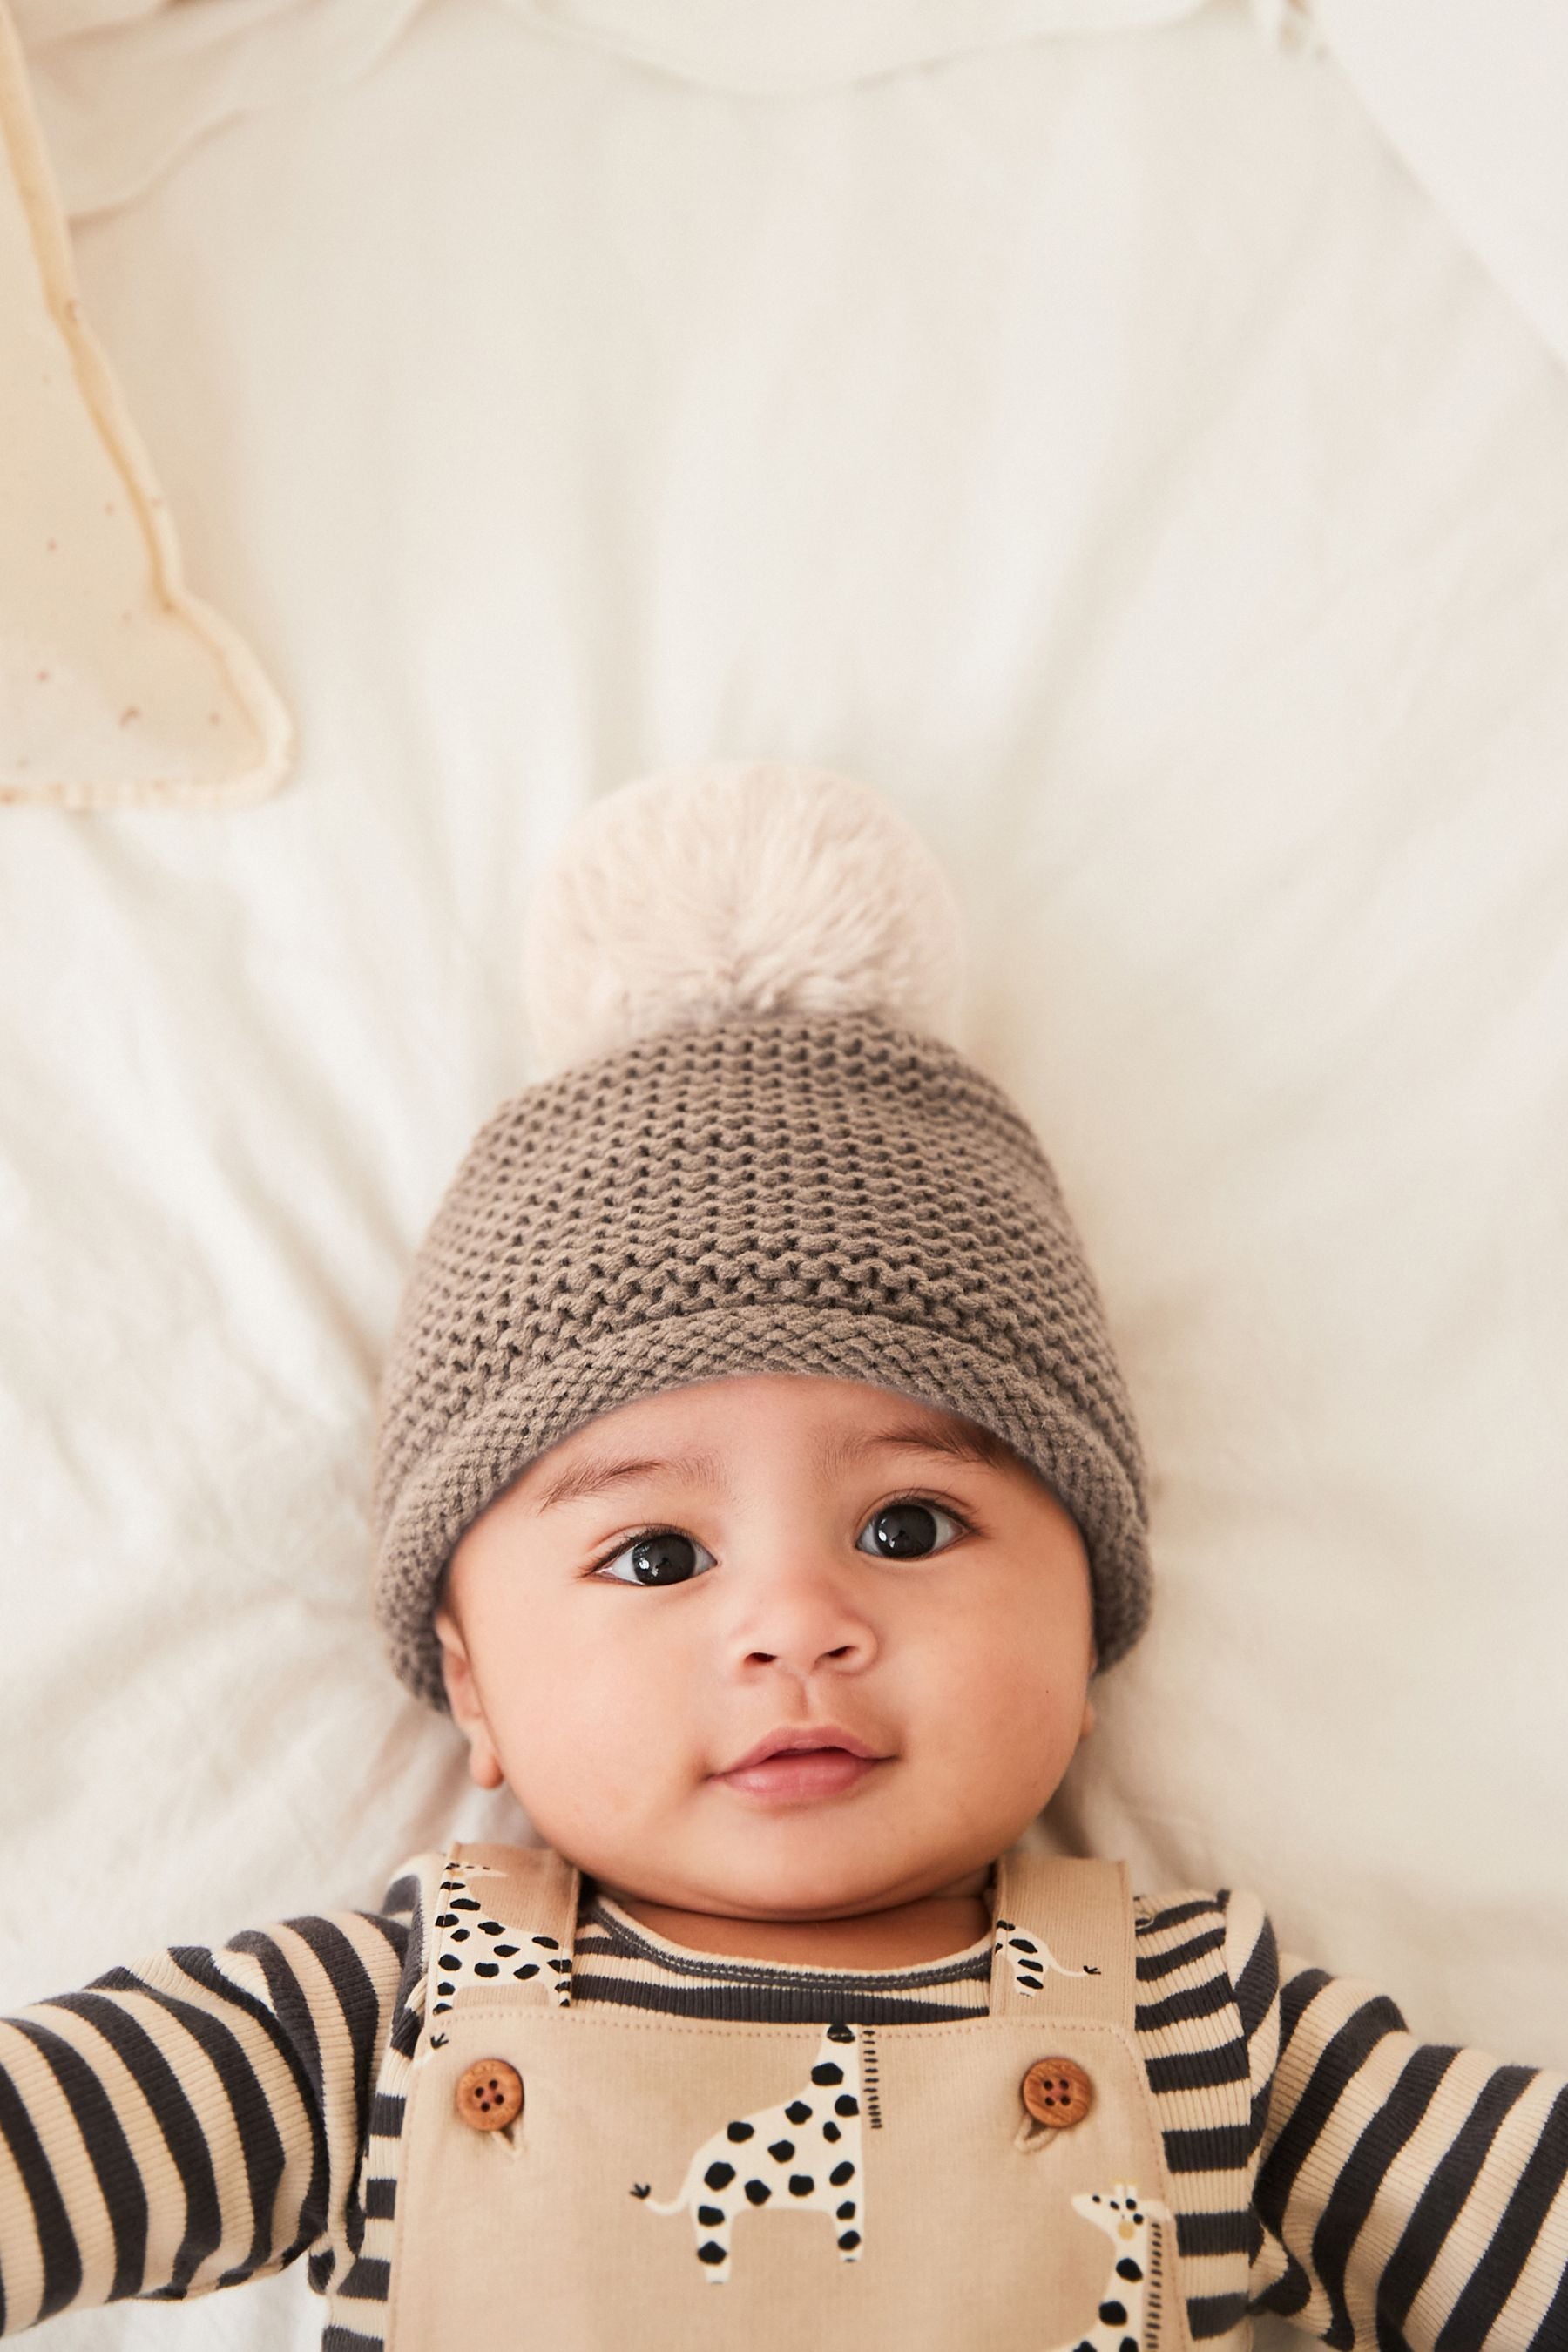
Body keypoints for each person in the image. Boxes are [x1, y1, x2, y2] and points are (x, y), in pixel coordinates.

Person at [1, 767, 1563, 2350]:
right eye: (657, 1553)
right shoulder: (387, 2012)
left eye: (907, 1527)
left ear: (1088, 1628)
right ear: (471, 1684)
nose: (796, 1623)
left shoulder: (1206, 2026)